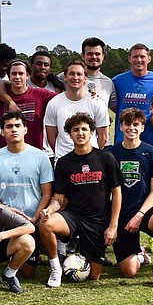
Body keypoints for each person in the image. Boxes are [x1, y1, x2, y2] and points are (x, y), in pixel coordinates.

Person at [38, 113, 122, 288]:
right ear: (70, 134)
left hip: (97, 220)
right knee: (46, 224)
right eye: (75, 130)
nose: (80, 133)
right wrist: (49, 210)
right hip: (73, 216)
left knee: (94, 276)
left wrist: (113, 225)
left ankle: (81, 258)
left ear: (92, 132)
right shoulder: (63, 162)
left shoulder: (105, 158)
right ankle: (56, 268)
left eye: (84, 129)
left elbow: (117, 193)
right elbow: (59, 198)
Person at [107, 108, 153, 289]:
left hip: (145, 211)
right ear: (120, 127)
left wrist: (139, 215)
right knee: (128, 271)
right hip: (121, 213)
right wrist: (112, 223)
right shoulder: (110, 154)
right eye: (127, 124)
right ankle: (140, 255)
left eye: (136, 124)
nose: (132, 128)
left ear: (143, 128)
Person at [0, 111, 53, 282]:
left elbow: (47, 194)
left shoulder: (40, 156)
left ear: (25, 130)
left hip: (30, 220)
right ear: (2, 132)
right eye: (9, 126)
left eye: (17, 126)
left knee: (27, 273)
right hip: (3, 218)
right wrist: (6, 210)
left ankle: (13, 262)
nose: (14, 130)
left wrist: (35, 218)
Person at [0, 59, 55, 150]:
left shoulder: (41, 95)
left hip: (33, 153)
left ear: (27, 75)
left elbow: (63, 100)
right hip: (6, 154)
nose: (17, 77)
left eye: (21, 73)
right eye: (14, 74)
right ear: (8, 76)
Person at [44, 60, 109, 159]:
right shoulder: (54, 103)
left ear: (85, 78)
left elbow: (103, 137)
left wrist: (91, 155)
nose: (75, 77)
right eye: (71, 74)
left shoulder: (97, 103)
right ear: (65, 77)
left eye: (79, 74)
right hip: (64, 161)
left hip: (91, 161)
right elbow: (51, 137)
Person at [111, 43, 153, 144]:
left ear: (149, 59)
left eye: (142, 56)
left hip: (150, 136)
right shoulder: (118, 80)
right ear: (129, 59)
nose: (139, 60)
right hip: (124, 137)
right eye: (135, 56)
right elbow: (110, 103)